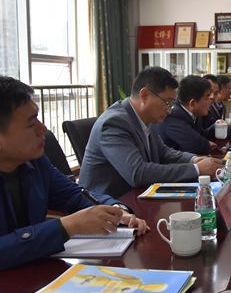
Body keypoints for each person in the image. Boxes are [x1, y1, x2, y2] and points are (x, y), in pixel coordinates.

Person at [0, 76, 149, 270]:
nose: (43, 128)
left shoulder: (35, 163)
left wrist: (116, 209)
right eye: (31, 123)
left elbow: (75, 195)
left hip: (35, 273)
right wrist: (66, 226)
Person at [79, 67, 222, 198]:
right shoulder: (114, 123)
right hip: (109, 203)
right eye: (167, 102)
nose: (170, 110)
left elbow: (163, 152)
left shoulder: (145, 117)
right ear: (145, 95)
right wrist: (196, 169)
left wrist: (194, 159)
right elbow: (138, 173)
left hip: (138, 195)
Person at [157, 75, 217, 155]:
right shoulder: (173, 115)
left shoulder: (194, 114)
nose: (210, 101)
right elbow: (196, 146)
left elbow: (202, 136)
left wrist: (219, 127)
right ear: (192, 103)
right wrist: (206, 144)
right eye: (207, 97)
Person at [200, 74, 231, 139]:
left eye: (215, 93)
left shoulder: (222, 106)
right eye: (209, 93)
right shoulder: (202, 110)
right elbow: (204, 134)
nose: (212, 96)